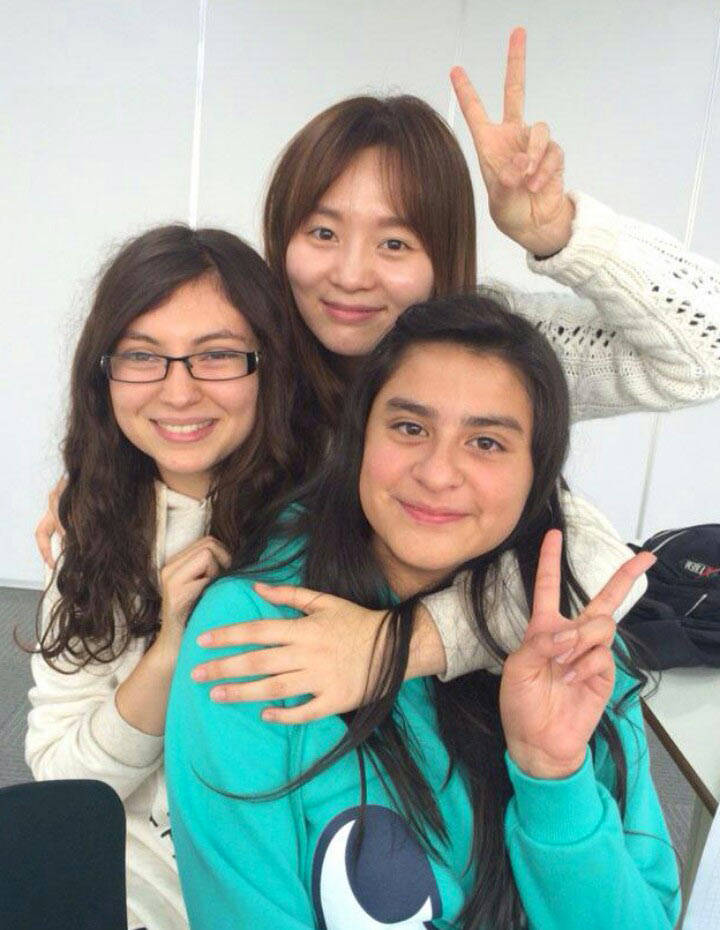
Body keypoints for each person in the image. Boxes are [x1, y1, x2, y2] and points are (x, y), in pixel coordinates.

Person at [34, 30, 720, 711]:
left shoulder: (493, 354)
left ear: (442, 255)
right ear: (282, 237)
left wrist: (558, 230)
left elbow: (700, 357)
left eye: (394, 242)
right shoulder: (251, 362)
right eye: (323, 233)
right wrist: (109, 477)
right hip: (280, 720)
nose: (351, 274)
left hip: (461, 717)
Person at [165, 294, 681, 930]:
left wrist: (553, 778)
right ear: (359, 439)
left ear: (537, 476)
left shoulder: (576, 655)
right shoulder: (253, 631)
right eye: (409, 428)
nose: (438, 473)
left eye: (486, 442)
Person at [25, 225, 298, 930]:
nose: (179, 391)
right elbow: (61, 783)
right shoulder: (90, 537)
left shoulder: (329, 524)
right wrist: (167, 655)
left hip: (271, 891)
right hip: (124, 889)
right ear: (105, 373)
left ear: (267, 364)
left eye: (216, 355)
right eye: (143, 356)